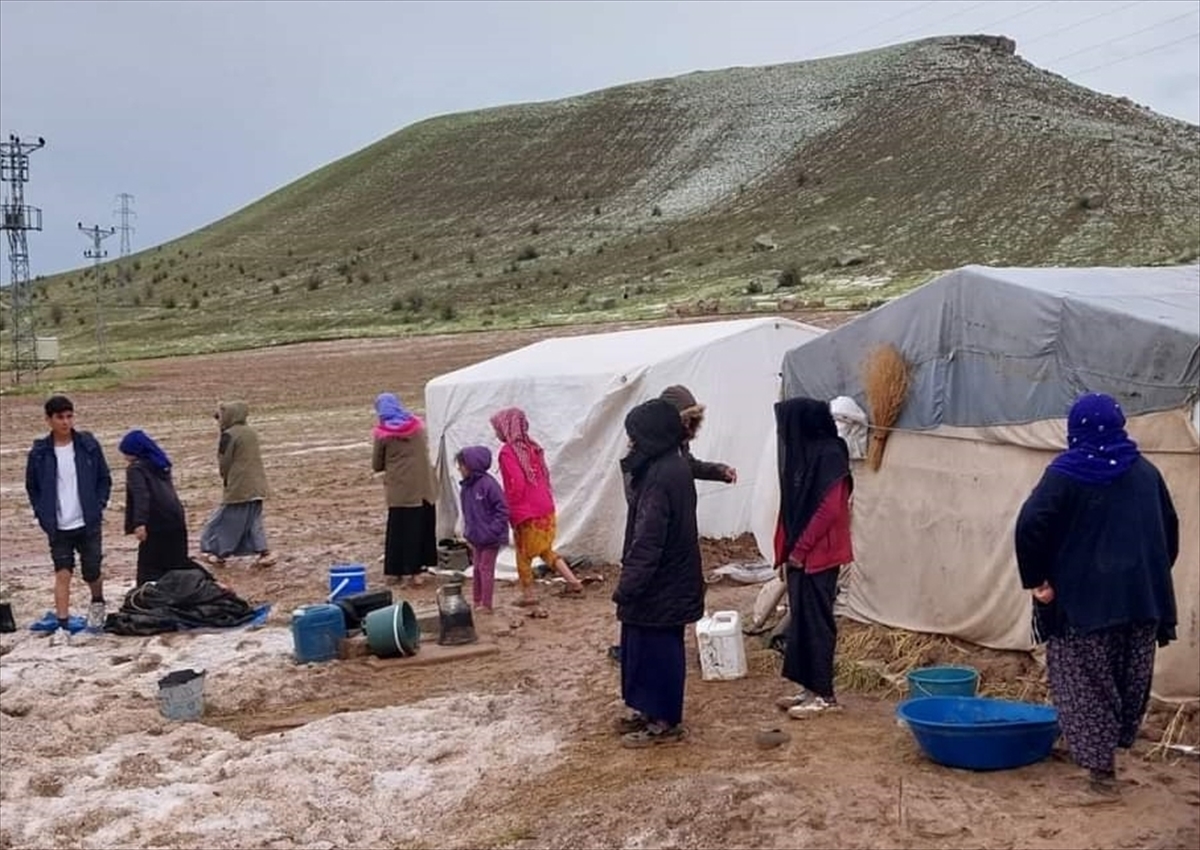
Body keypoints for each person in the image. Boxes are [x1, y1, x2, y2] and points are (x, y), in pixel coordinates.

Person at [1015, 392, 1178, 796]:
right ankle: (1113, 746)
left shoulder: (1066, 473)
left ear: (1077, 430)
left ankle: (1101, 775)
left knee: (1087, 684)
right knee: (1127, 680)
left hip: (1085, 606)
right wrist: (1147, 575)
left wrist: (1039, 582)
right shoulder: (1145, 472)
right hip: (1142, 602)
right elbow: (1168, 531)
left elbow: (1030, 523)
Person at [612, 397, 702, 748]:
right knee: (641, 647)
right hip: (663, 582)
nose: (631, 444)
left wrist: (628, 584)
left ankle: (665, 721)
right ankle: (648, 710)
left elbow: (649, 540)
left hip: (663, 582)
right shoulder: (663, 466)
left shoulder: (664, 475)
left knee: (660, 650)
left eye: (635, 436)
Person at [772, 397, 854, 718]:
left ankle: (825, 696)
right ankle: (808, 688)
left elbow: (830, 509)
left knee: (817, 622)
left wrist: (801, 549)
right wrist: (786, 551)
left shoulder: (831, 454)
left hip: (819, 554)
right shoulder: (804, 455)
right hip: (799, 555)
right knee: (802, 621)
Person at [24, 394, 112, 643]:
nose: (65, 422)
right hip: (58, 525)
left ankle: (97, 603)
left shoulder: (88, 445)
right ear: (49, 420)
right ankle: (62, 625)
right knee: (62, 572)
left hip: (88, 521)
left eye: (69, 416)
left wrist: (98, 505)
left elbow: (104, 478)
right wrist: (42, 514)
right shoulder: (40, 452)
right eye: (60, 417)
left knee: (91, 569)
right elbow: (32, 486)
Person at [490, 407, 584, 613]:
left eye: (497, 428)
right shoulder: (533, 447)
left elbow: (517, 483)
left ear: (506, 429)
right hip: (545, 507)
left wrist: (508, 506)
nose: (496, 433)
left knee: (523, 554)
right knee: (544, 549)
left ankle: (528, 595)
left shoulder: (508, 452)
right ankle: (573, 581)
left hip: (526, 511)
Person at [199, 400, 275, 569]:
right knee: (253, 520)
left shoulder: (229, 435)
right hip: (258, 485)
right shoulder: (251, 432)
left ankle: (215, 552)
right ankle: (264, 553)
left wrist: (226, 480)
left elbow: (224, 462)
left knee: (222, 520)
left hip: (239, 487)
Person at [371, 392, 438, 587]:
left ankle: (396, 571)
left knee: (399, 530)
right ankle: (416, 571)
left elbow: (377, 464)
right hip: (424, 486)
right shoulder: (417, 428)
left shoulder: (383, 434)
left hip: (400, 490)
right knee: (419, 528)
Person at [119, 429, 189, 586]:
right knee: (179, 564)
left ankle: (145, 603)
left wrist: (139, 523)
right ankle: (215, 585)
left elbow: (141, 495)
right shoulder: (160, 464)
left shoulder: (135, 469)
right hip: (176, 518)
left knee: (147, 570)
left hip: (156, 523)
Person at [455, 445, 509, 614]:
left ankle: (486, 604)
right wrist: (469, 532)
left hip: (490, 537)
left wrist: (493, 530)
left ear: (472, 465)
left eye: (462, 465)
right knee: (477, 568)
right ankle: (477, 601)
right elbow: (467, 512)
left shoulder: (488, 485)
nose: (459, 469)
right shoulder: (466, 487)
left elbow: (502, 509)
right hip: (477, 536)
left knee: (486, 568)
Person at [658, 385, 738, 484]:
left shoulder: (677, 442)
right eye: (684, 420)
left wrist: (721, 471)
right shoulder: (651, 446)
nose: (687, 425)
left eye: (690, 420)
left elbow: (690, 466)